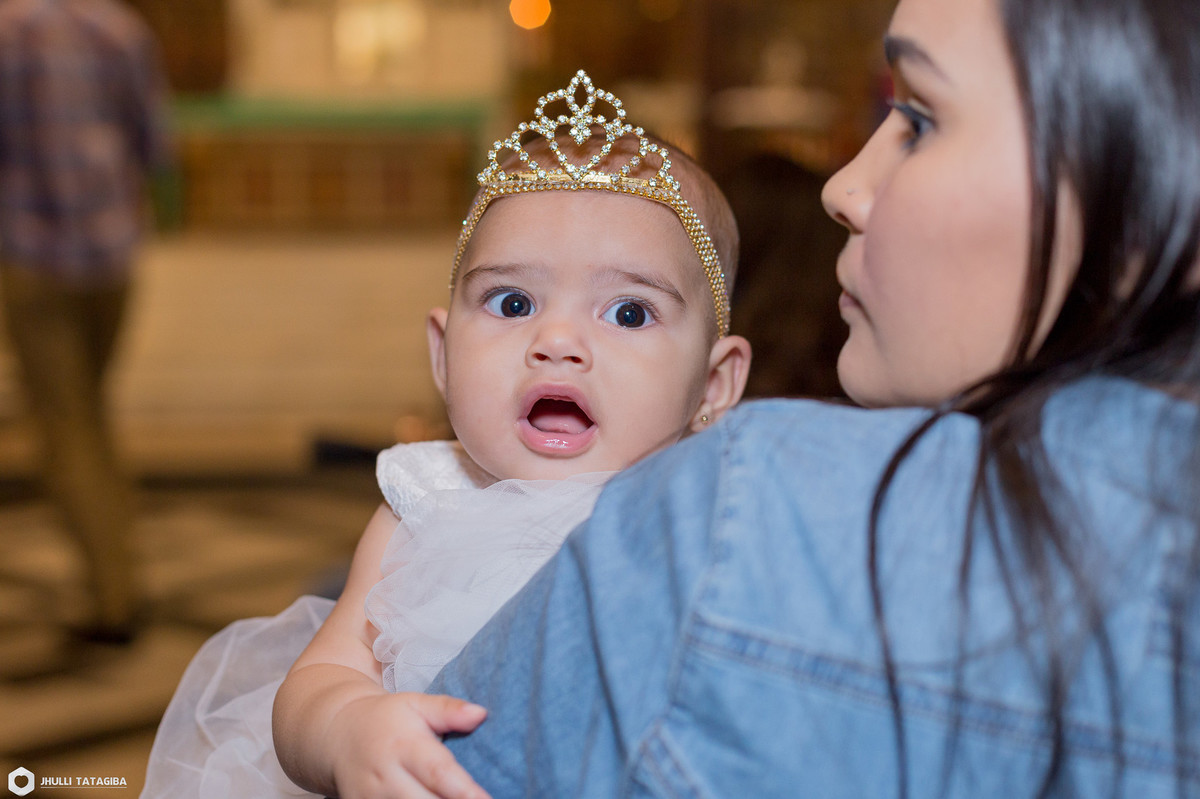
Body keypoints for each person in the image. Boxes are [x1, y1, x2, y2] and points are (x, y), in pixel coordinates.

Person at [406, 0, 1200, 796]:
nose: (844, 187)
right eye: (511, 302)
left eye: (917, 120)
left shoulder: (746, 523)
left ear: (1150, 188)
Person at [141, 69, 752, 799]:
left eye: (627, 312)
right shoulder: (425, 504)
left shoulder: (716, 516)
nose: (557, 340)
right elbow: (326, 672)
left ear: (714, 385)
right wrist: (346, 728)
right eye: (513, 300)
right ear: (442, 351)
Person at [0, 0, 173, 643]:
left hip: (32, 262)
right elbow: (156, 146)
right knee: (92, 417)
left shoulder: (7, 32)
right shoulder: (119, 29)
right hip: (110, 260)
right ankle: (120, 576)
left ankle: (111, 598)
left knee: (65, 427)